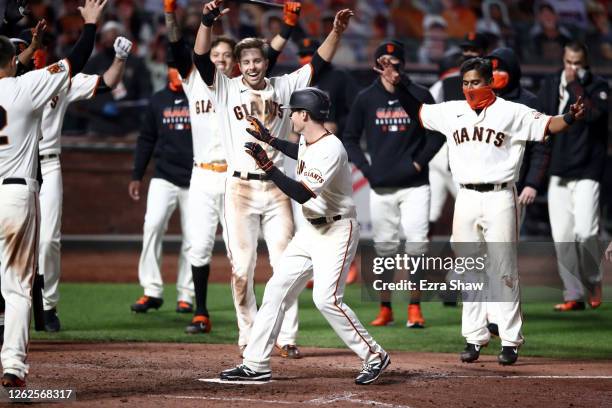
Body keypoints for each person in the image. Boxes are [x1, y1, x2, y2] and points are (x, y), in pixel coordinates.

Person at [380, 55, 585, 365]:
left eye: (475, 82)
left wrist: (568, 117)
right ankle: (475, 337)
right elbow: (420, 113)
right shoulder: (453, 111)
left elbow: (547, 125)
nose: (470, 87)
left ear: (490, 82)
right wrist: (401, 84)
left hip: (500, 196)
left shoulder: (511, 112)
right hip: (466, 197)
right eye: (465, 83)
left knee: (503, 270)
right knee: (468, 271)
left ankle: (510, 340)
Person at [192, 0, 352, 357]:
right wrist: (206, 21)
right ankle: (249, 334)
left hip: (278, 188)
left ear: (267, 62)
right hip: (239, 188)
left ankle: (287, 336)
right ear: (238, 65)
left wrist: (336, 32)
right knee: (242, 269)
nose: (252, 66)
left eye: (257, 60)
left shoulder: (284, 85)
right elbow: (201, 57)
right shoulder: (226, 87)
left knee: (286, 266)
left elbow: (320, 62)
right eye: (246, 61)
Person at [219, 88, 390, 384]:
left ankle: (374, 356)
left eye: (293, 112)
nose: (290, 116)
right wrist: (269, 140)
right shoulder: (310, 141)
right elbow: (296, 150)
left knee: (327, 299)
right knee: (276, 290)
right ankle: (256, 363)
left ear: (304, 115)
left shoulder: (331, 149)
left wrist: (268, 167)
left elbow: (301, 193)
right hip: (310, 231)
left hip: (336, 231)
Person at [165, 0, 300, 340]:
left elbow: (268, 54)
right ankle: (201, 311)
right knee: (200, 247)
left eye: (227, 56)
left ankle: (278, 332)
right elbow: (180, 48)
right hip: (205, 175)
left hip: (239, 176)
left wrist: (287, 24)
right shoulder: (198, 80)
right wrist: (172, 14)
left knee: (244, 256)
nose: (221, 59)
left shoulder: (242, 87)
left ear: (235, 62)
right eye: (217, 55)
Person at [0, 0, 106, 387]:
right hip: (15, 197)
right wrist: (91, 23)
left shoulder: (19, 78)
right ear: (14, 62)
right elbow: (75, 60)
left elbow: (11, 62)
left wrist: (25, 48)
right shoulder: (25, 88)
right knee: (16, 289)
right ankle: (12, 363)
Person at [343, 39, 444, 328]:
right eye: (384, 64)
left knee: (417, 247)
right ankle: (386, 308)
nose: (390, 69)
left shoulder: (418, 93)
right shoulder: (366, 98)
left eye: (395, 64)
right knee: (385, 249)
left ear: (403, 65)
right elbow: (349, 137)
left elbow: (437, 134)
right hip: (381, 186)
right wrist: (365, 169)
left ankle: (415, 308)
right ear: (376, 66)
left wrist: (418, 162)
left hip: (415, 185)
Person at [37, 33, 131, 333]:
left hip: (48, 163)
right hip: (10, 165)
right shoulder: (8, 82)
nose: (34, 52)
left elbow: (107, 83)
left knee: (49, 239)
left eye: (38, 47)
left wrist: (120, 58)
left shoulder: (56, 79)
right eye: (26, 48)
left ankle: (48, 306)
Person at [484, 47, 551, 337]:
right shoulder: (484, 100)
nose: (496, 77)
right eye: (492, 71)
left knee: (503, 257)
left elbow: (541, 148)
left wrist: (532, 183)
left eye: (501, 71)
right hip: (479, 188)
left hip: (512, 189)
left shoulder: (529, 103)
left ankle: (503, 319)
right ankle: (489, 316)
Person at [537, 41, 608, 312]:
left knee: (586, 231)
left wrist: (573, 86)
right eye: (568, 62)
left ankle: (593, 280)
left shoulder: (598, 86)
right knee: (564, 236)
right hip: (559, 169)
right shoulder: (552, 83)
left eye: (577, 63)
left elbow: (591, 115)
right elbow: (541, 120)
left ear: (585, 63)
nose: (572, 68)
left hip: (588, 169)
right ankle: (573, 293)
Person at [128, 66, 195, 316]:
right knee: (152, 226)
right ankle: (152, 290)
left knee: (193, 237)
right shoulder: (158, 100)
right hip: (164, 175)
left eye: (182, 68)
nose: (177, 72)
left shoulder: (198, 95)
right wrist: (137, 174)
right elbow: (146, 138)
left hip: (195, 178)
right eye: (174, 68)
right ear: (167, 70)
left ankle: (186, 295)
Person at [293, 36, 359, 287]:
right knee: (308, 213)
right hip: (305, 150)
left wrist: (338, 125)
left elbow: (357, 107)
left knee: (334, 209)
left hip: (330, 153)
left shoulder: (338, 77)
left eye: (310, 53)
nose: (305, 58)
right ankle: (313, 266)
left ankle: (346, 263)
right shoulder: (300, 80)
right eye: (302, 54)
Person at [428, 32, 489, 229]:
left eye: (474, 50)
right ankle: (419, 258)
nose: (469, 53)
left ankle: (476, 257)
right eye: (465, 50)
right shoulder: (446, 83)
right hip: (444, 153)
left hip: (475, 158)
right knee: (430, 213)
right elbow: (427, 115)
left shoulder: (493, 85)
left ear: (484, 53)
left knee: (474, 214)